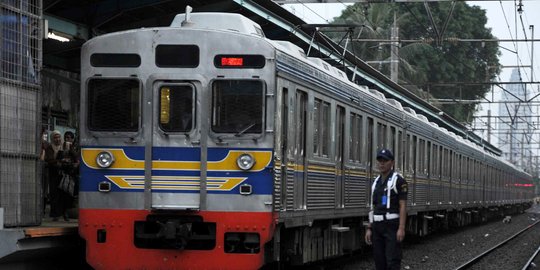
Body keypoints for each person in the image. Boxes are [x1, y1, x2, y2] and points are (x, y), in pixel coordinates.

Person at [365, 148, 408, 270]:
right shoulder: (376, 182)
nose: (382, 163)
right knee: (379, 261)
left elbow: (403, 205)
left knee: (392, 261)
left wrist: (401, 228)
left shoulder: (399, 181)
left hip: (391, 226)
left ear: (392, 163)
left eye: (385, 161)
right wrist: (369, 227)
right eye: (379, 161)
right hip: (377, 226)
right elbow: (373, 207)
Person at [44, 130, 77, 221]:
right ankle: (55, 214)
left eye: (58, 137)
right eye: (55, 137)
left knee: (65, 194)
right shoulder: (50, 148)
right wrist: (60, 161)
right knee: (54, 194)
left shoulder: (66, 146)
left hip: (64, 174)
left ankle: (64, 213)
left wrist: (70, 150)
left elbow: (75, 156)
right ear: (52, 138)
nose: (57, 139)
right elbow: (49, 160)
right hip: (54, 174)